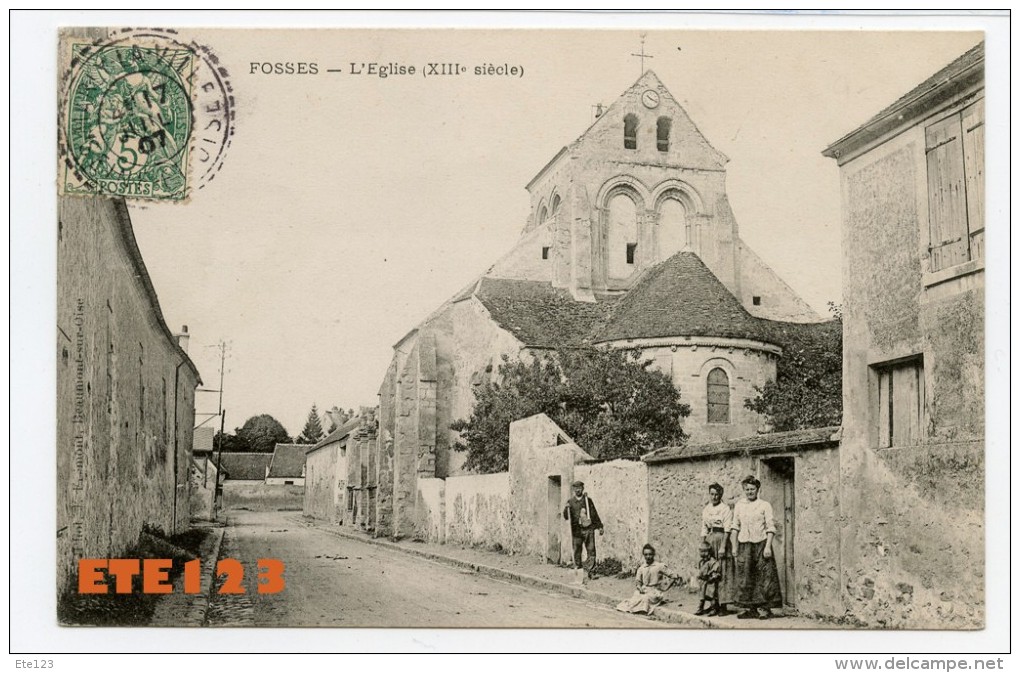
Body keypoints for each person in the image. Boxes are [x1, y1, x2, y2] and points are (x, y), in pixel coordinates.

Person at [729, 475, 784, 619]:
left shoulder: (764, 505)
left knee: (764, 577)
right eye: (747, 489)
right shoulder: (739, 505)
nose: (749, 492)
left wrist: (767, 547)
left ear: (758, 489)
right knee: (746, 576)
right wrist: (734, 546)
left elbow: (770, 527)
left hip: (761, 543)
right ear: (743, 490)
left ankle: (765, 609)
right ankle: (750, 608)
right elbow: (735, 526)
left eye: (752, 489)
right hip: (744, 544)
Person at [700, 482, 737, 615]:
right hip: (711, 541)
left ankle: (723, 606)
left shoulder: (725, 508)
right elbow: (704, 528)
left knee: (723, 572)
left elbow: (728, 529)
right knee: (710, 572)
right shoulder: (707, 509)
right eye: (712, 494)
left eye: (717, 494)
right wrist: (703, 545)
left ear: (720, 495)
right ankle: (713, 604)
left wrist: (722, 547)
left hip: (722, 540)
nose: (714, 497)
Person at [616, 544, 674, 616]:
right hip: (644, 590)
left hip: (655, 592)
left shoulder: (659, 566)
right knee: (634, 598)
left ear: (653, 555)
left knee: (645, 598)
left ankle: (641, 609)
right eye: (646, 555)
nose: (648, 557)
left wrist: (665, 588)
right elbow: (638, 581)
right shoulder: (642, 568)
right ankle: (635, 608)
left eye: (650, 554)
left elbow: (673, 576)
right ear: (644, 555)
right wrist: (640, 588)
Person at [563, 480, 604, 577]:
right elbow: (566, 516)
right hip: (576, 531)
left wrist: (600, 526)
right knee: (577, 550)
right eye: (576, 488)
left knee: (591, 550)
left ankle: (591, 571)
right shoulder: (571, 502)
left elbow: (594, 514)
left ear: (583, 488)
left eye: (580, 488)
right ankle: (578, 571)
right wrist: (566, 509)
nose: (578, 490)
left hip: (588, 529)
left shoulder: (587, 500)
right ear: (573, 489)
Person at [695, 540, 722, 616]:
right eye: (701, 552)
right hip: (703, 582)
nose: (702, 554)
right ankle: (700, 608)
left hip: (710, 582)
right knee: (701, 596)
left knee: (711, 596)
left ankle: (714, 609)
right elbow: (699, 570)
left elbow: (715, 569)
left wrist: (713, 576)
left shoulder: (712, 561)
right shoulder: (701, 562)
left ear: (709, 552)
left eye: (704, 552)